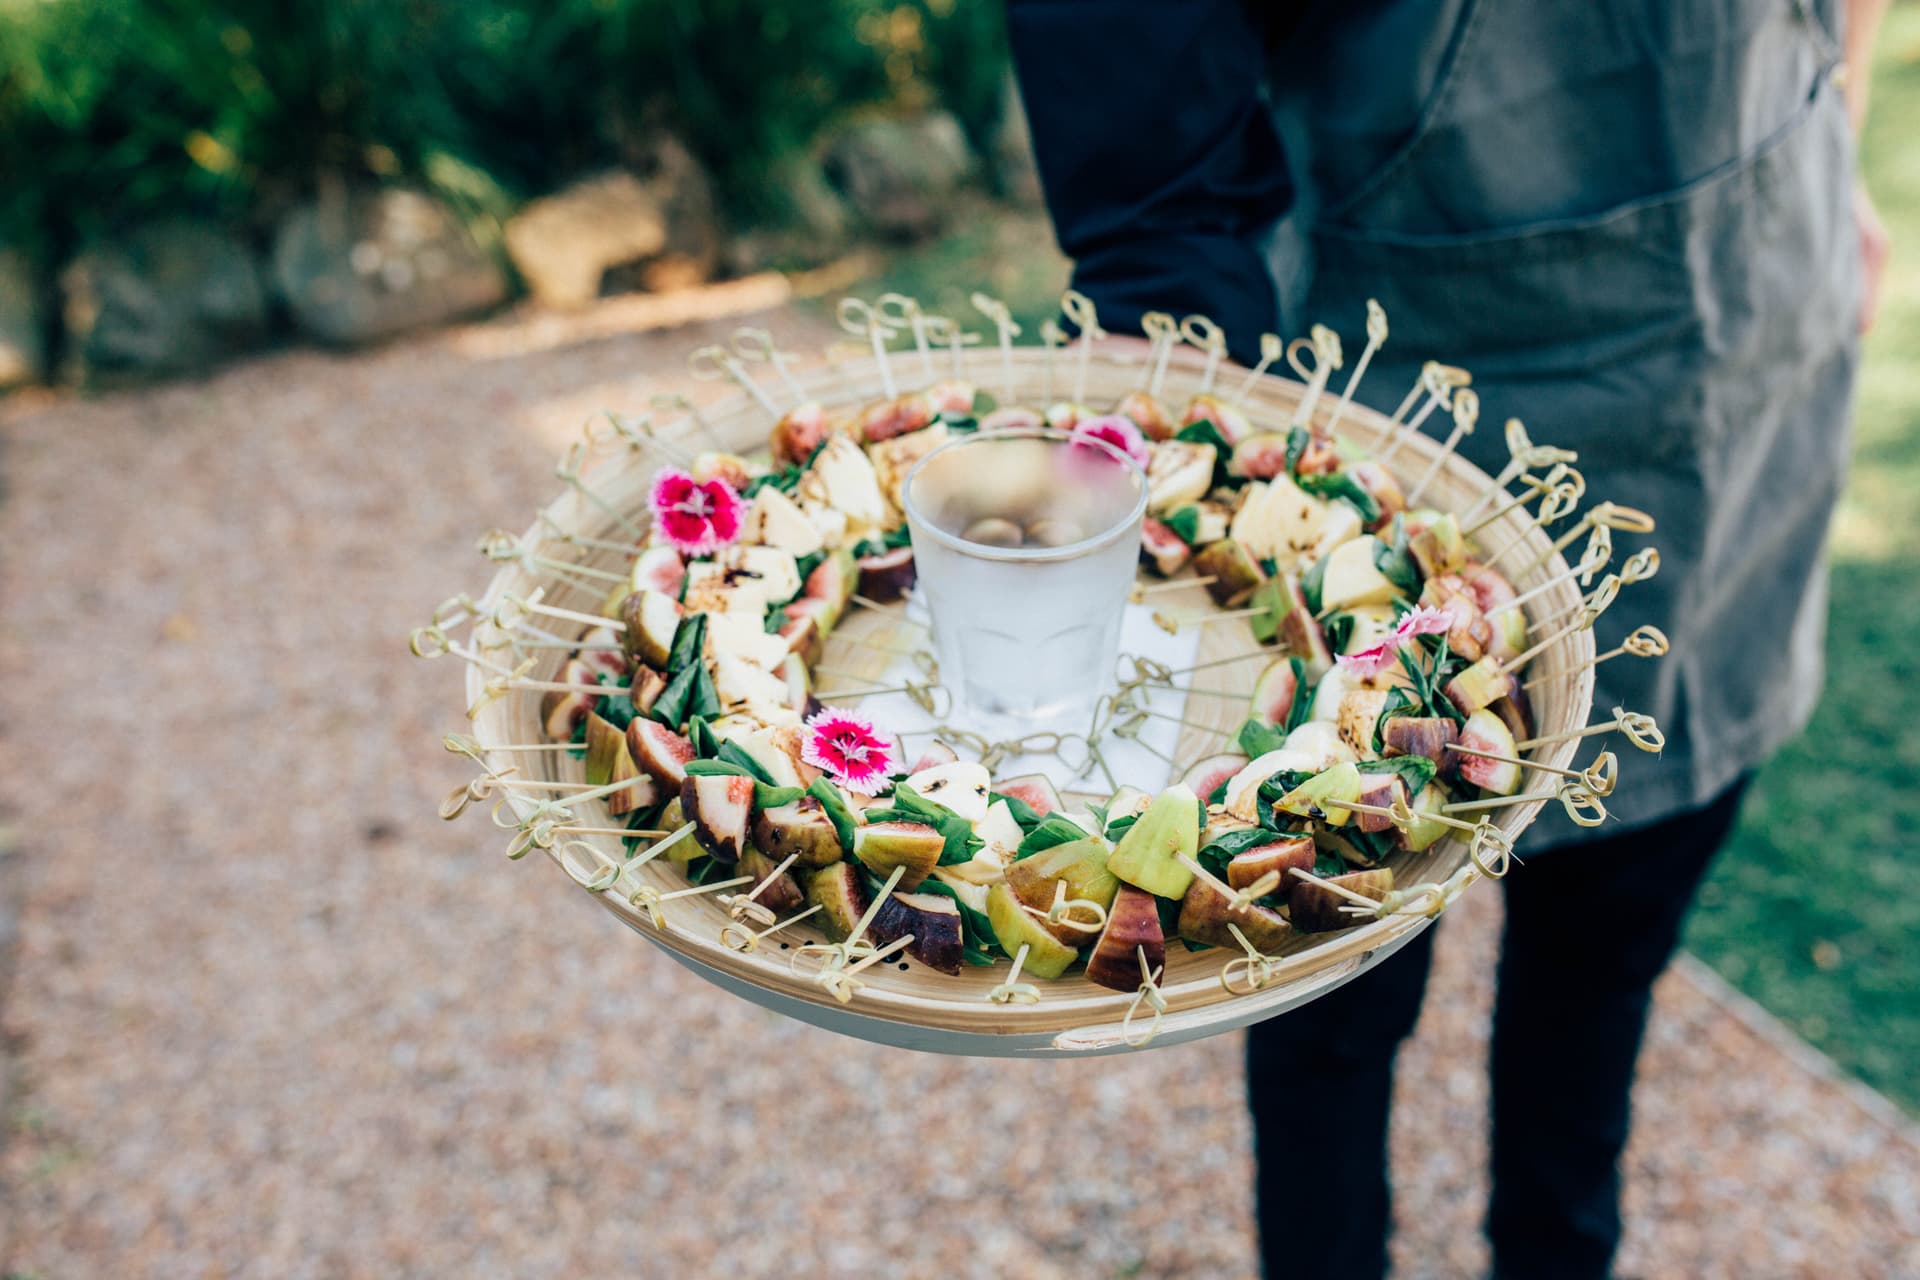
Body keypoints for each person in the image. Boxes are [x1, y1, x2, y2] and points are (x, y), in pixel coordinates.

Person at [1006, 1, 1890, 1276]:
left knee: (1605, 961)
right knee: (1324, 986)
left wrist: (1839, 123)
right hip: (1411, 369)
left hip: (1748, 361)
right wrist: (1159, 285)